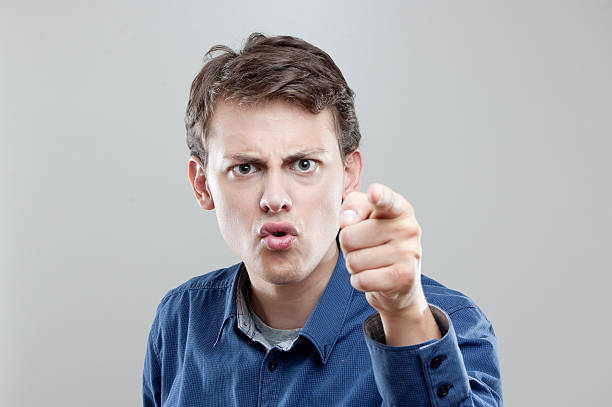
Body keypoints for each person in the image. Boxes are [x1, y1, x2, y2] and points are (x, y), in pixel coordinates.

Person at [143, 33, 502, 407]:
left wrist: (404, 313)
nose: (275, 199)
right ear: (203, 185)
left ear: (348, 175)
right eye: (245, 168)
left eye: (303, 165)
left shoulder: (449, 327)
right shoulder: (179, 321)